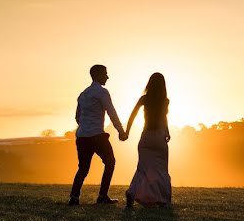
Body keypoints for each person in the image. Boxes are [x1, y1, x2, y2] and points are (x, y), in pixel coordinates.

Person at [68, 64, 127, 206]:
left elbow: (77, 117)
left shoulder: (82, 94)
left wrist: (86, 125)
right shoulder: (102, 92)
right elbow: (111, 112)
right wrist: (121, 131)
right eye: (105, 74)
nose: (107, 76)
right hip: (97, 136)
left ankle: (74, 197)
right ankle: (102, 196)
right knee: (110, 162)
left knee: (83, 168)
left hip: (82, 137)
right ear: (98, 75)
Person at [123, 72, 172, 207]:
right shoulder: (165, 100)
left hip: (146, 136)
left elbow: (132, 115)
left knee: (143, 168)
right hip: (160, 137)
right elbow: (164, 118)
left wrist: (127, 131)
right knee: (161, 169)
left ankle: (132, 193)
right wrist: (167, 131)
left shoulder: (144, 99)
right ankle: (162, 199)